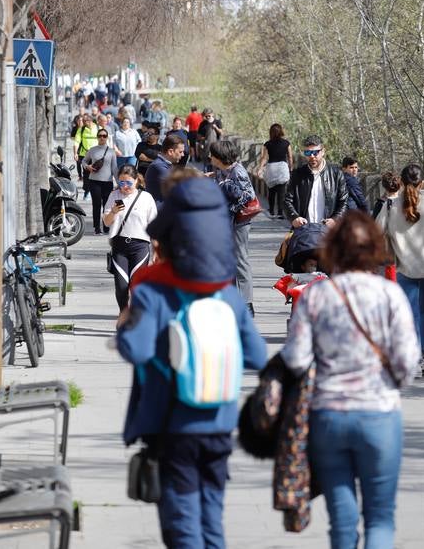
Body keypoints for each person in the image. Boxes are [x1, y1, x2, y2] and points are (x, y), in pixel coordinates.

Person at [116, 176, 267, 548]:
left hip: (170, 424)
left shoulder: (153, 290)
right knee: (211, 515)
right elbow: (258, 355)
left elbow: (134, 350)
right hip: (218, 421)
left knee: (182, 520)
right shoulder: (227, 296)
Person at [282, 211, 419, 548]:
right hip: (379, 413)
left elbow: (296, 360)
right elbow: (406, 364)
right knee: (380, 518)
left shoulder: (316, 296)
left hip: (329, 415)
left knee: (342, 523)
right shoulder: (389, 296)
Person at [377, 163, 424, 376]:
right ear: (422, 183)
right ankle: (423, 357)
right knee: (423, 311)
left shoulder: (391, 206)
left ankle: (414, 358)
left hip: (405, 270)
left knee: (410, 312)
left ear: (401, 182)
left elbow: (375, 232)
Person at [210, 140, 256, 316]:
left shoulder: (238, 171)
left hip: (239, 222)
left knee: (240, 259)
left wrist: (230, 209)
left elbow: (248, 195)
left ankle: (247, 303)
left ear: (220, 157)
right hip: (225, 222)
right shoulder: (221, 170)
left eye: (213, 155)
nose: (210, 157)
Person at [103, 165, 157, 313]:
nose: (125, 186)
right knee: (121, 286)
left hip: (140, 245)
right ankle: (124, 313)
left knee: (136, 285)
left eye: (128, 183)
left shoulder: (146, 198)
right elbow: (106, 222)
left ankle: (136, 315)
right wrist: (113, 212)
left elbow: (154, 226)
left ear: (136, 181)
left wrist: (156, 250)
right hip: (119, 246)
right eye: (121, 183)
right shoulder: (114, 196)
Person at [284, 134, 349, 229]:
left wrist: (335, 219)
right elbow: (287, 200)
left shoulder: (336, 174)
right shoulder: (297, 174)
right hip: (304, 231)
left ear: (323, 151)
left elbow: (344, 201)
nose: (312, 156)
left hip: (328, 232)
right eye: (308, 153)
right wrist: (294, 217)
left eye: (315, 152)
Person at [82, 128, 118, 235]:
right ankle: (97, 228)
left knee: (107, 205)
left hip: (107, 182)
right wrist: (87, 166)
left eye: (104, 136)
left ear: (107, 138)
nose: (102, 138)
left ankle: (106, 226)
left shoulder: (111, 152)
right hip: (94, 182)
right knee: (96, 205)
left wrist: (119, 183)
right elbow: (84, 161)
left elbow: (114, 168)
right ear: (97, 137)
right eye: (100, 136)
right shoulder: (92, 150)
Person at [256, 123, 293, 217]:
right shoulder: (286, 143)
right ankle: (280, 213)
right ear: (281, 131)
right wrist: (291, 168)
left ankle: (271, 211)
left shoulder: (267, 144)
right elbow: (290, 157)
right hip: (282, 168)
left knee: (271, 191)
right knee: (282, 192)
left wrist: (260, 169)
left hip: (271, 168)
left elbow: (264, 158)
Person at [145, 134, 186, 207]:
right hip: (158, 212)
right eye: (180, 152)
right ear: (170, 152)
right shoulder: (158, 166)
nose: (183, 155)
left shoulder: (165, 164)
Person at [73, 112, 98, 198]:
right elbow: (76, 142)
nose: (83, 122)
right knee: (86, 174)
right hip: (85, 155)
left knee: (97, 173)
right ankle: (86, 191)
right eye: (83, 120)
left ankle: (95, 191)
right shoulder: (81, 129)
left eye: (85, 120)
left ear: (90, 121)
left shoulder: (98, 128)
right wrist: (75, 153)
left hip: (97, 155)